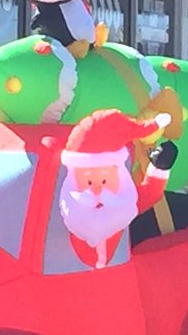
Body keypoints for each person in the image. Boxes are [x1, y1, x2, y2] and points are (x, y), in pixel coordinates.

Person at [58, 109, 177, 268]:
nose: (98, 191)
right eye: (89, 183)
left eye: (105, 180)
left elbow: (150, 194)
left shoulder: (123, 202)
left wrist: (160, 166)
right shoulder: (73, 206)